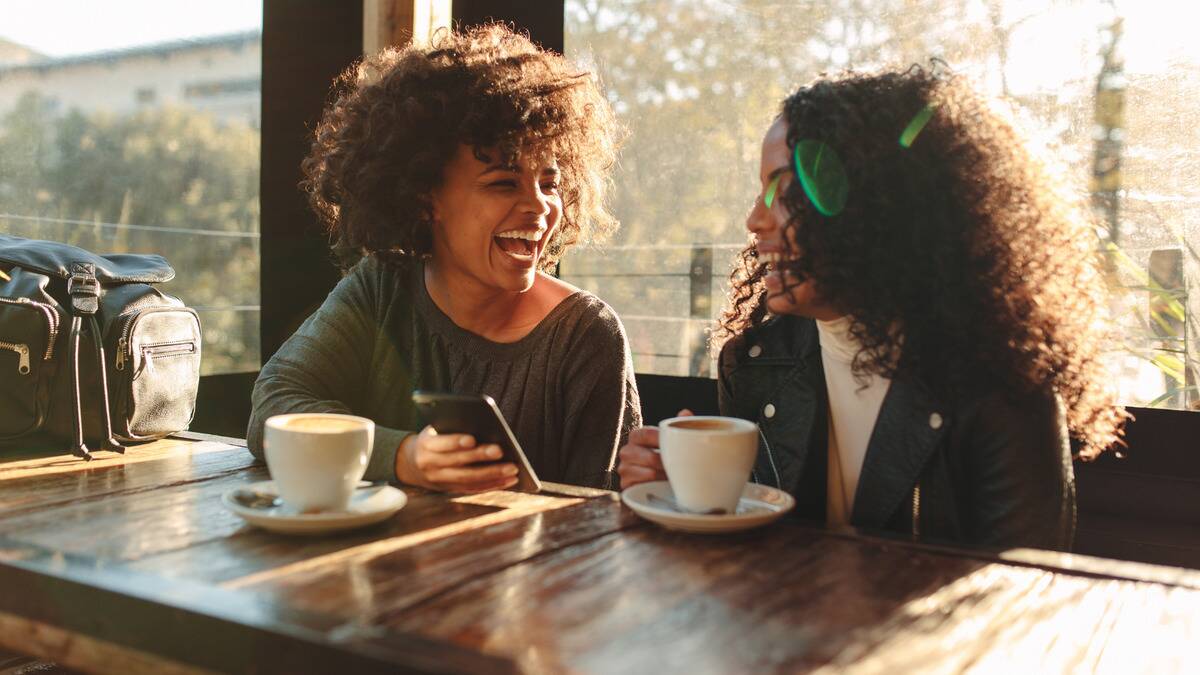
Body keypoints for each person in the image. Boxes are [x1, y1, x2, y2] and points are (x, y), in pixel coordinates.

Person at [618, 65, 1126, 550]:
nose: (755, 219)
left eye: (785, 191)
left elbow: (1021, 599)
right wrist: (686, 496)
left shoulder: (1001, 387)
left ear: (879, 207)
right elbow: (752, 552)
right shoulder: (754, 363)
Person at [248, 25, 640, 493]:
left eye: (550, 183)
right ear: (424, 196)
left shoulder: (585, 334)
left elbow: (601, 520)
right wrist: (403, 456)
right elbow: (273, 409)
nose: (539, 206)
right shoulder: (382, 289)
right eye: (503, 182)